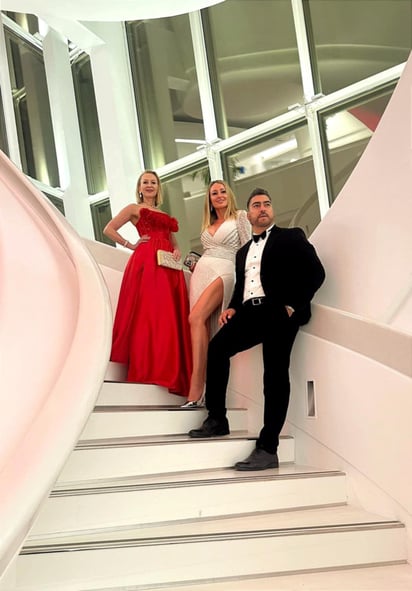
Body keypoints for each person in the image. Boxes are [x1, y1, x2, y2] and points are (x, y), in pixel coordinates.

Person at [188, 187, 325, 471]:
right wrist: (232, 308)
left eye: (267, 204)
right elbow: (242, 285)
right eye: (256, 205)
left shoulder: (291, 237)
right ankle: (217, 419)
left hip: (279, 313)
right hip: (249, 312)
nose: (263, 208)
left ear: (271, 210)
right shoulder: (242, 252)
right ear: (248, 215)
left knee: (274, 376)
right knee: (217, 349)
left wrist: (293, 305)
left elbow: (316, 272)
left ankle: (268, 448)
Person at [103, 170, 192, 397]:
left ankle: (165, 367)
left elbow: (173, 240)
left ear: (158, 187)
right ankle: (147, 368)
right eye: (146, 182)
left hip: (166, 265)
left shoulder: (164, 214)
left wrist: (176, 249)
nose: (150, 185)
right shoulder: (134, 209)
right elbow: (108, 229)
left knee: (166, 315)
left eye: (153, 182)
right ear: (139, 187)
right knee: (149, 313)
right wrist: (130, 244)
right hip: (147, 262)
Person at [181, 180, 251, 408]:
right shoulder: (209, 223)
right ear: (209, 199)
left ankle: (196, 387)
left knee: (195, 317)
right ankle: (205, 391)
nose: (219, 195)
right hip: (201, 273)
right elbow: (208, 251)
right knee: (200, 324)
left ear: (229, 195)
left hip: (226, 270)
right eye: (214, 193)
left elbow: (248, 249)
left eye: (223, 191)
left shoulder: (240, 216)